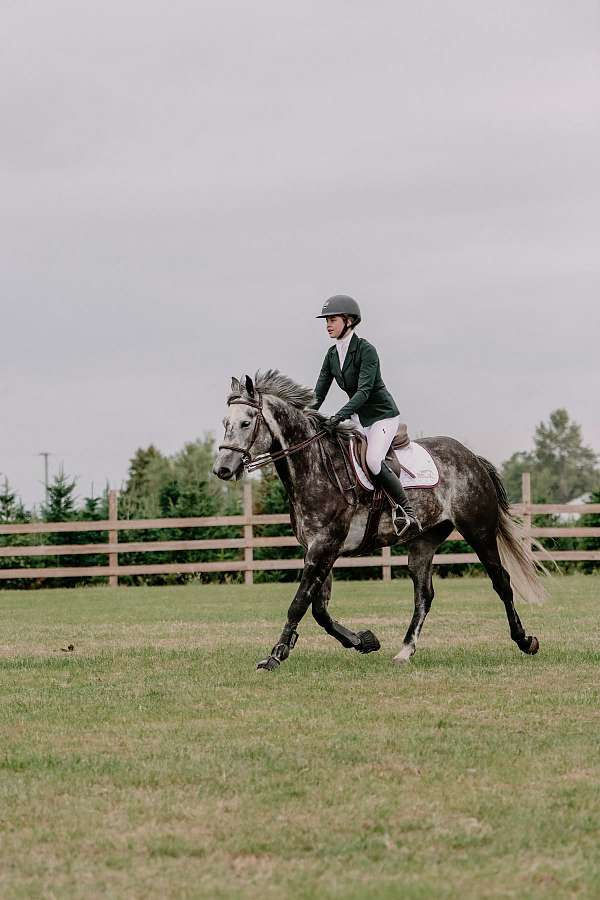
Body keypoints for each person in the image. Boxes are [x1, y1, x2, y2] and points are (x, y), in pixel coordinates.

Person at [311, 294, 421, 539]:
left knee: (372, 460)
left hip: (382, 417)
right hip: (359, 419)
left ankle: (408, 511)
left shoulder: (366, 350)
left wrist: (338, 417)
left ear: (349, 321)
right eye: (326, 320)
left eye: (333, 319)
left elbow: (364, 391)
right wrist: (305, 415)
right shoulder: (331, 355)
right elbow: (318, 394)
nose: (328, 324)